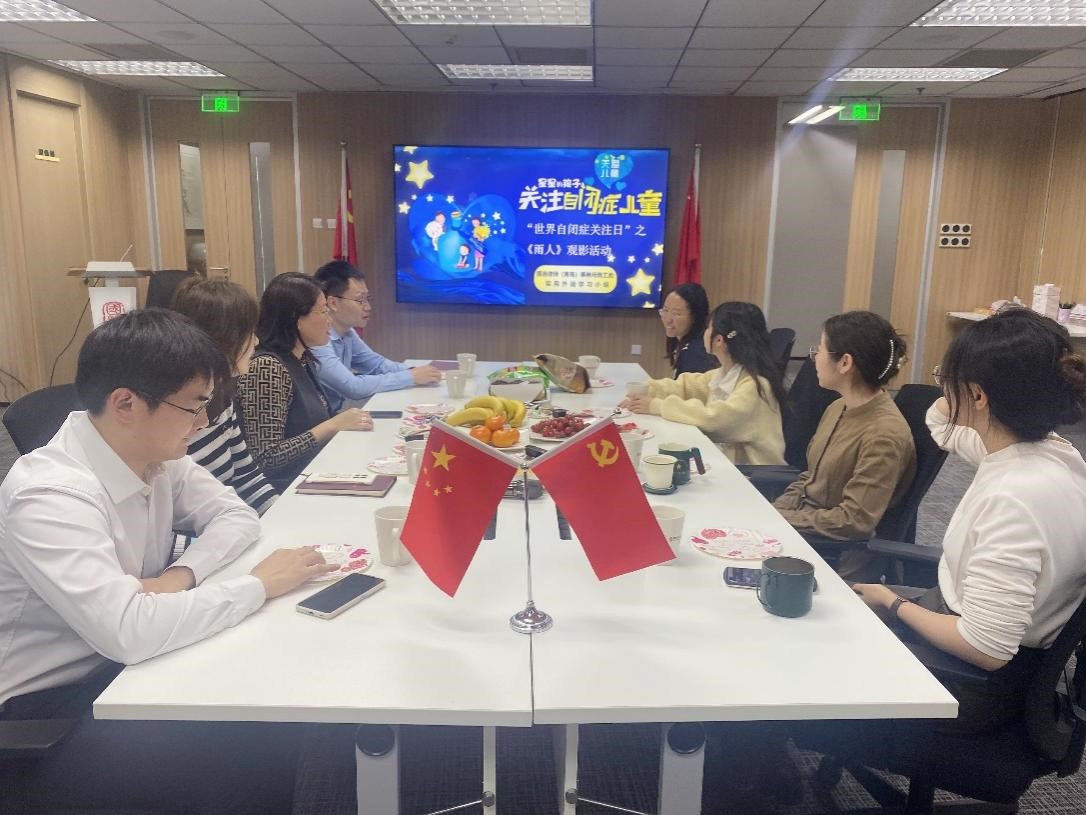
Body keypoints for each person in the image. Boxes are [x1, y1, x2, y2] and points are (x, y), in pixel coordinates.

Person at [0, 308, 335, 813]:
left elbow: (237, 516)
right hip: (47, 712)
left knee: (270, 697)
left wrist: (180, 575)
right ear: (126, 404)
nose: (204, 422)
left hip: (122, 668)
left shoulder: (151, 454)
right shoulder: (49, 496)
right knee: (259, 737)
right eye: (194, 406)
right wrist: (258, 585)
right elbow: (128, 631)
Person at [773, 310, 916, 582]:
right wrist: (776, 510)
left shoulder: (884, 434)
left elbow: (854, 521)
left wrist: (783, 519)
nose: (814, 357)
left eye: (820, 349)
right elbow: (809, 479)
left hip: (836, 558)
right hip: (803, 534)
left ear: (845, 362)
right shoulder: (838, 407)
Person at [238, 273, 373, 491]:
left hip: (316, 472)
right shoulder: (267, 368)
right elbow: (266, 458)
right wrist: (332, 425)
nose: (330, 320)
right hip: (285, 490)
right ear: (297, 319)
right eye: (323, 311)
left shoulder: (303, 357)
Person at [621, 301, 786, 465]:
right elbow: (686, 386)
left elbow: (713, 420)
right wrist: (647, 389)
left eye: (708, 328)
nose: (705, 333)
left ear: (719, 340)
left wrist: (656, 405)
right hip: (728, 463)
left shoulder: (756, 386)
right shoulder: (726, 373)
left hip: (752, 476)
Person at [171, 277, 277, 515]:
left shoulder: (221, 396)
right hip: (207, 533)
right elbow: (173, 520)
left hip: (231, 523)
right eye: (249, 332)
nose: (257, 341)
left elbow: (248, 478)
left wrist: (282, 517)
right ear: (223, 339)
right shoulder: (171, 415)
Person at [311, 260, 441, 412]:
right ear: (333, 303)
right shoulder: (317, 340)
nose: (368, 307)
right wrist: (411, 376)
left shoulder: (347, 332)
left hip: (337, 416)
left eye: (367, 299)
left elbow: (376, 366)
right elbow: (353, 387)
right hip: (320, 423)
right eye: (360, 300)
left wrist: (417, 371)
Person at [659, 282, 718, 377]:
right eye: (665, 310)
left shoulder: (695, 353)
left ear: (695, 316)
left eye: (676, 313)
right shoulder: (681, 344)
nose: (668, 320)